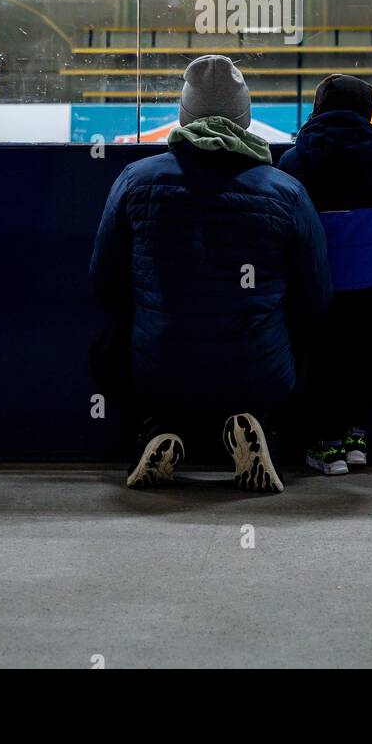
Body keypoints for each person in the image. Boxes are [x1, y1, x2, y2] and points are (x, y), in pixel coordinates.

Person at [90, 54, 332, 493]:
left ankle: (159, 429)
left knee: (127, 342)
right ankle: (260, 431)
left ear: (184, 114)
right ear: (245, 119)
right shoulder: (286, 190)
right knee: (299, 343)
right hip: (262, 369)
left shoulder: (134, 179)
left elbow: (103, 282)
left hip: (158, 367)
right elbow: (316, 296)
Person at [278, 74, 372, 475]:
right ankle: (356, 440)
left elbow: (283, 212)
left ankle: (326, 448)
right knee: (360, 358)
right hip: (367, 277)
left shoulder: (295, 159)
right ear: (368, 111)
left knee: (320, 360)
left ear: (318, 108)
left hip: (315, 279)